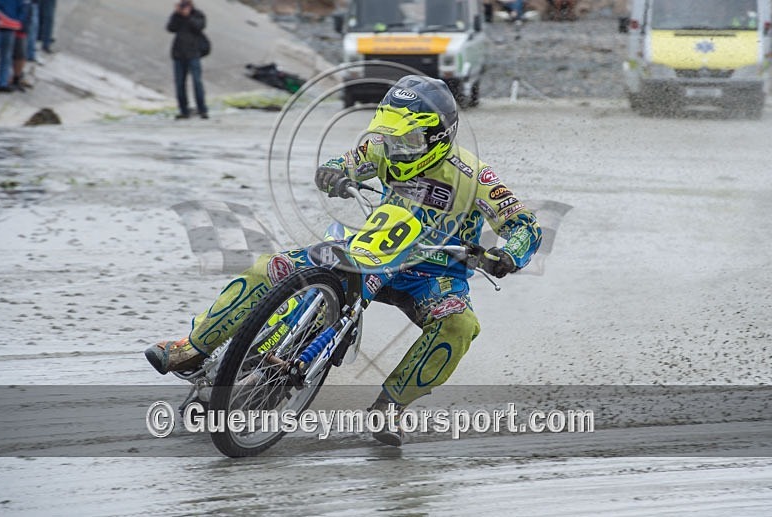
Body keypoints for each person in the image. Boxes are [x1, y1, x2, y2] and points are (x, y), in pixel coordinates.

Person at [144, 75, 542, 446]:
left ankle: (391, 407)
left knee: (460, 324)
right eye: (392, 138)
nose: (396, 149)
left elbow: (525, 223)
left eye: (409, 141)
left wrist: (508, 253)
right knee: (269, 268)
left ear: (439, 136)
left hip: (433, 271)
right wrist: (333, 174)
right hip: (372, 246)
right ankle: (193, 347)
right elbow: (343, 162)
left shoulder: (475, 176)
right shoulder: (382, 146)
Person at [167, 0, 208, 119]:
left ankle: (202, 109)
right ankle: (184, 110)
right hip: (179, 54)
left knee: (197, 82)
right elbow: (170, 28)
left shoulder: (198, 14)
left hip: (193, 54)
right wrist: (176, 14)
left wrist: (188, 16)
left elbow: (199, 27)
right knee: (180, 84)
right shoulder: (177, 16)